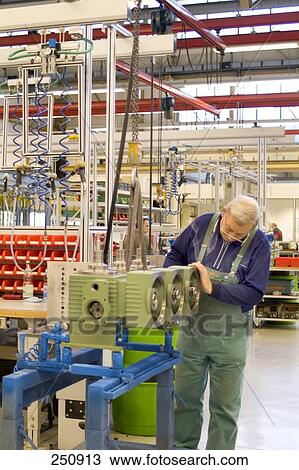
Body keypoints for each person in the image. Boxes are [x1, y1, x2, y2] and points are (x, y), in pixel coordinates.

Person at [164, 195, 270, 450]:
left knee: (224, 407)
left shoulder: (259, 244)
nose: (233, 236)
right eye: (230, 229)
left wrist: (213, 288)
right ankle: (182, 453)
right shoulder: (201, 225)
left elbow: (254, 292)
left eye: (240, 235)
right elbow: (174, 255)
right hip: (192, 332)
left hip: (229, 338)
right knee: (185, 400)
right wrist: (178, 285)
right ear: (224, 212)